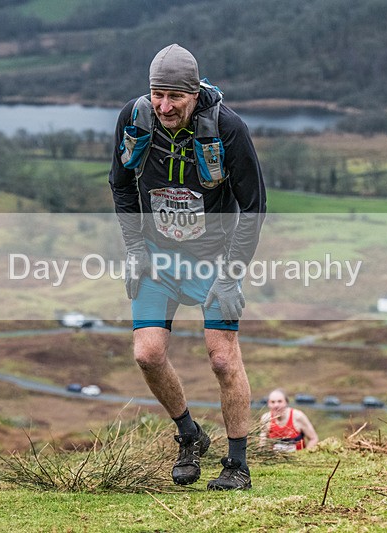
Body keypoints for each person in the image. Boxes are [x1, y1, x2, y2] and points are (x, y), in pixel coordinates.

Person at [109, 44, 266, 490]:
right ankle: (189, 434)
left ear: (195, 93)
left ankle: (237, 464)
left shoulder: (228, 128)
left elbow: (254, 207)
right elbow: (121, 186)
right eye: (157, 95)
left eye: (175, 97)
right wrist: (135, 249)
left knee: (222, 359)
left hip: (214, 260)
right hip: (157, 258)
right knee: (147, 354)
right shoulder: (134, 118)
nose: (164, 107)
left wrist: (232, 276)